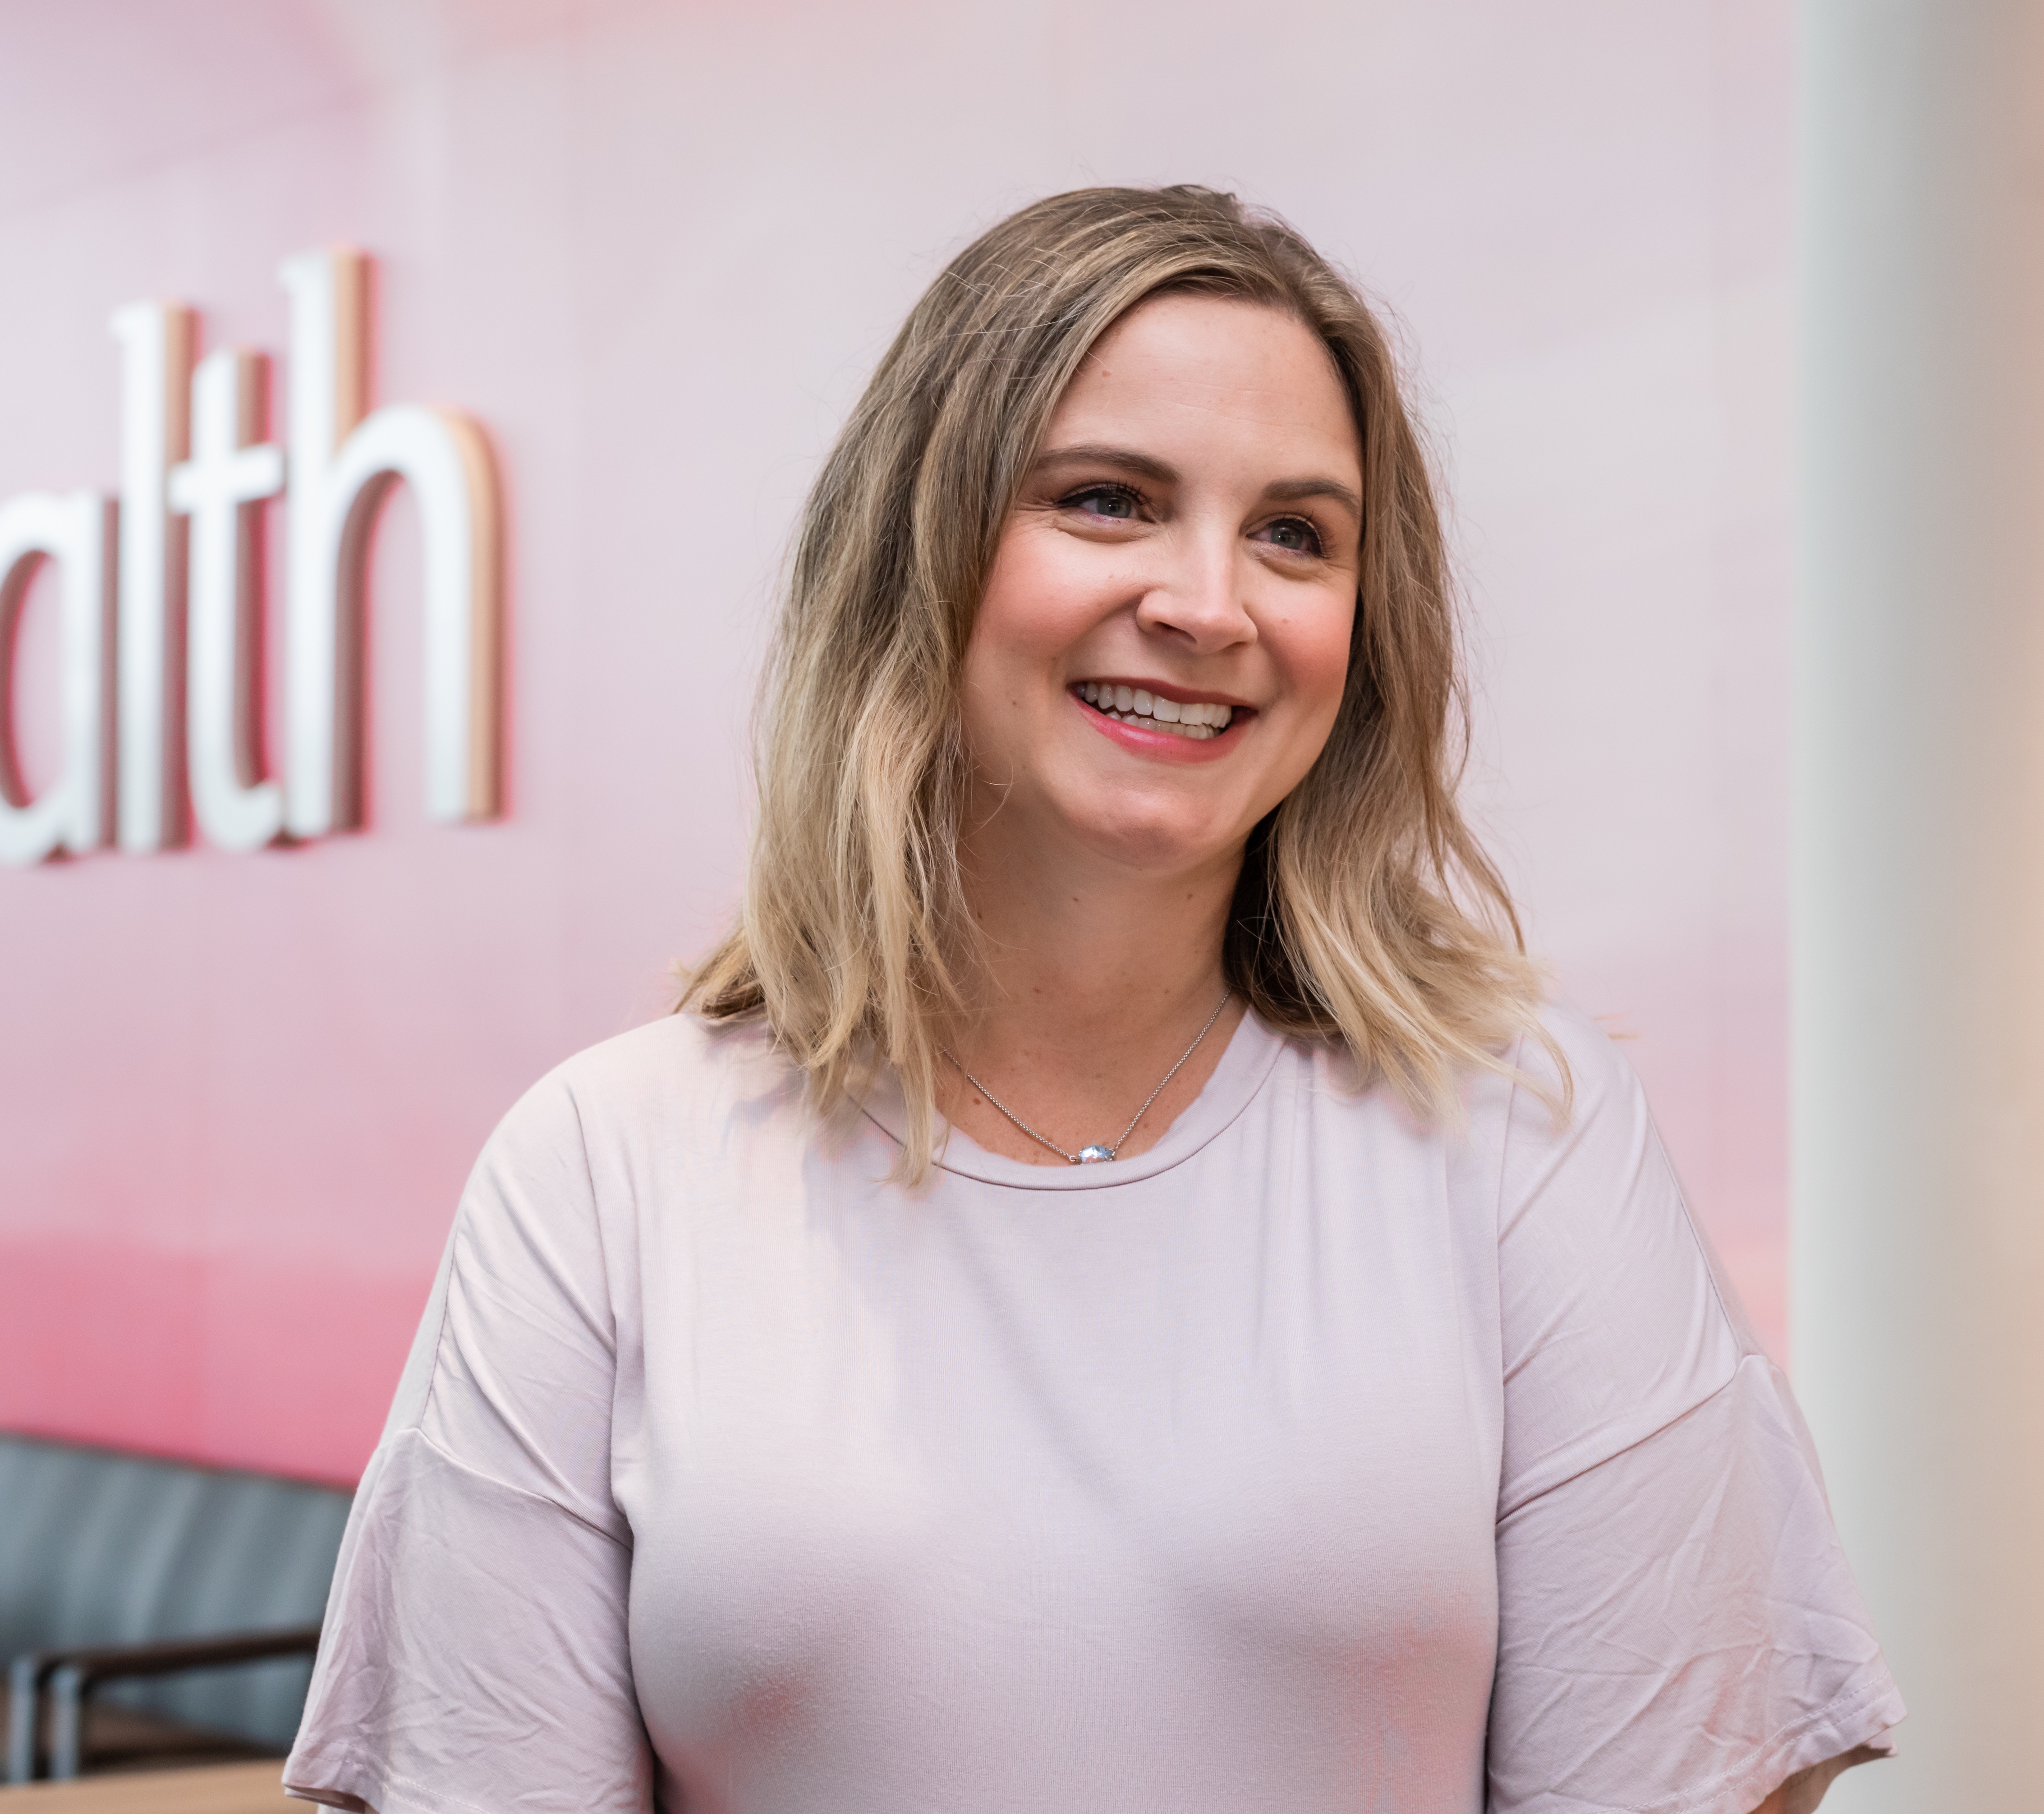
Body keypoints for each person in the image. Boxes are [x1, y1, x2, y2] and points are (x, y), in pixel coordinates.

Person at [283, 185, 1901, 1814]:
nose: (1210, 605)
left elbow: (1688, 1777)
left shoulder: (1514, 1131)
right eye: (1110, 501)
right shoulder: (606, 1167)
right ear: (918, 550)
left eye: (1295, 534)